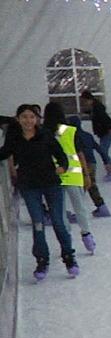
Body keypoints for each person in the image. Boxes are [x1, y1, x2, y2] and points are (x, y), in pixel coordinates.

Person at [0, 104, 76, 280]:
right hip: (29, 186)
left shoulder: (45, 135)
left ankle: (69, 257)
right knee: (38, 223)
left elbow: (61, 154)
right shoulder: (15, 138)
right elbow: (4, 153)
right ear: (18, 119)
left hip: (51, 184)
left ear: (37, 119)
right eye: (24, 117)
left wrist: (63, 167)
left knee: (58, 221)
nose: (28, 120)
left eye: (31, 117)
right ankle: (42, 260)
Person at [43, 102, 97, 255]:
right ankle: (87, 235)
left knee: (60, 212)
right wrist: (87, 175)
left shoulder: (43, 132)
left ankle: (67, 242)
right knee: (80, 207)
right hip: (73, 174)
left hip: (53, 175)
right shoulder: (70, 131)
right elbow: (80, 154)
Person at [67, 116, 110, 217]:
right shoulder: (88, 135)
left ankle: (79, 211)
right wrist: (106, 161)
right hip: (92, 162)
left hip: (81, 163)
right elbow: (99, 148)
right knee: (91, 185)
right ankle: (101, 207)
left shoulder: (71, 136)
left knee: (81, 188)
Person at [79, 90, 111, 181]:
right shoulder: (95, 108)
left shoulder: (97, 108)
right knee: (103, 151)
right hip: (103, 133)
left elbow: (105, 119)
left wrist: (109, 128)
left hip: (106, 133)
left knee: (103, 151)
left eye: (85, 101)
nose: (84, 103)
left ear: (89, 99)